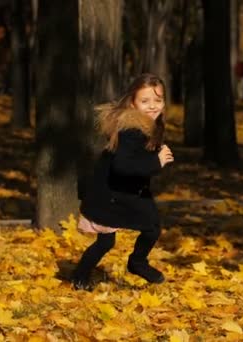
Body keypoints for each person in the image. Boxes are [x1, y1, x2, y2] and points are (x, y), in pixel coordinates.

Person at [71, 73, 174, 291]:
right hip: (111, 193)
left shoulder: (148, 126)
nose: (153, 106)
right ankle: (83, 276)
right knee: (109, 241)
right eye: (145, 101)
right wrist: (156, 161)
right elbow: (123, 166)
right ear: (132, 102)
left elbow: (135, 161)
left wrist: (154, 159)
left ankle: (135, 263)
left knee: (150, 227)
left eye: (158, 100)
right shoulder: (132, 130)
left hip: (128, 189)